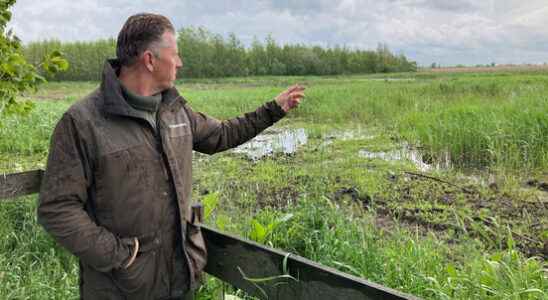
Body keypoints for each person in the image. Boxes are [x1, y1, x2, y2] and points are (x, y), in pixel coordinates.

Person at [37, 13, 304, 300]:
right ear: (150, 60)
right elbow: (57, 208)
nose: (179, 62)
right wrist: (120, 256)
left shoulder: (175, 110)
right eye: (174, 54)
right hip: (121, 289)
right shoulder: (83, 122)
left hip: (180, 278)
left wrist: (273, 109)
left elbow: (222, 134)